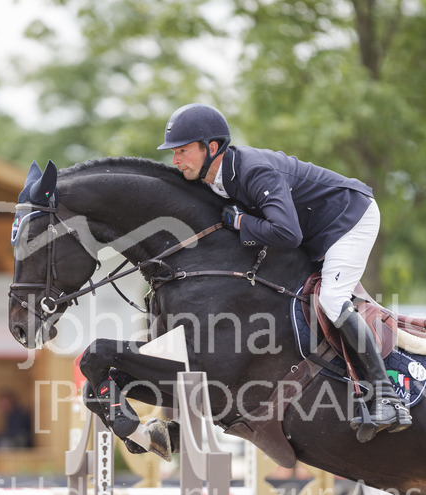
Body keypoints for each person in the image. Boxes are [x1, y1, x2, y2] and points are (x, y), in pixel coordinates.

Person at [157, 103, 411, 442]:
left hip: (349, 219)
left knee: (333, 301)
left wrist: (241, 222)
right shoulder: (213, 178)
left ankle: (388, 396)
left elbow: (287, 233)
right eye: (175, 152)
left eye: (182, 151)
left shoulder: (253, 171)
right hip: (315, 228)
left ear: (212, 148)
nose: (176, 160)